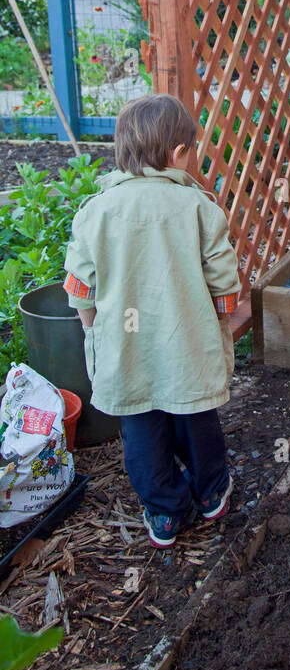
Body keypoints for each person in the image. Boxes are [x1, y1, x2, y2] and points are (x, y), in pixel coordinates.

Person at [63, 94, 242, 548]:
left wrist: (91, 330)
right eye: (193, 150)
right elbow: (224, 286)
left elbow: (80, 290)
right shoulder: (199, 208)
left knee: (141, 430)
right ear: (178, 153)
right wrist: (217, 328)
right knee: (197, 420)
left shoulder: (95, 211)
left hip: (127, 347)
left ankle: (164, 512)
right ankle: (211, 494)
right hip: (187, 345)